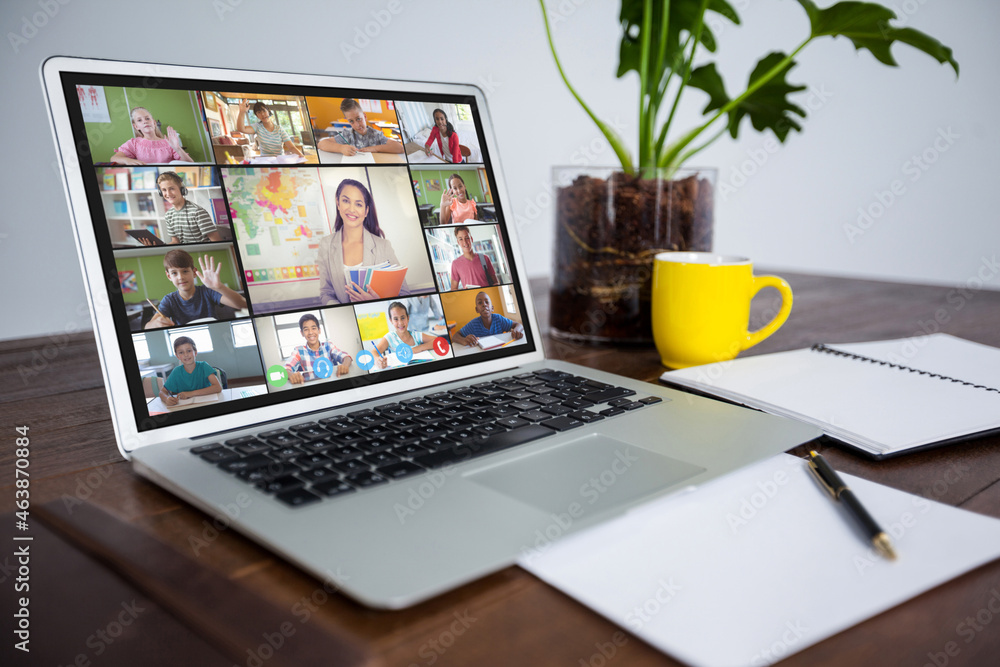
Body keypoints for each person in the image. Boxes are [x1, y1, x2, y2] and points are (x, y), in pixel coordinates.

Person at [317, 179, 410, 304]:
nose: (351, 209)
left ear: (366, 211)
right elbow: (326, 293)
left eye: (358, 204)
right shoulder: (325, 245)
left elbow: (404, 293)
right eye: (346, 201)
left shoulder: (383, 246)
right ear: (338, 203)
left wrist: (377, 301)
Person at [145, 250, 247, 329]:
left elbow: (243, 304)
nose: (180, 277)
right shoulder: (169, 300)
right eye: (174, 273)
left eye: (185, 271)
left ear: (194, 272)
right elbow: (147, 326)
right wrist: (156, 324)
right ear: (169, 276)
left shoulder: (207, 291)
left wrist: (219, 287)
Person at [149, 172, 222, 245]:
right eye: (164, 190)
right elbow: (175, 241)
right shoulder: (168, 215)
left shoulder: (197, 212)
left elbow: (217, 241)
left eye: (171, 189)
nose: (168, 194)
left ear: (182, 190)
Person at [317, 98, 403, 155]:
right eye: (351, 121)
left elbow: (399, 148)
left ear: (365, 117)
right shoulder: (347, 135)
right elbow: (321, 144)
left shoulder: (376, 134)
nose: (357, 125)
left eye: (358, 119)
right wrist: (341, 148)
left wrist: (375, 149)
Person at [111, 106, 193, 165]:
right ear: (136, 127)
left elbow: (190, 164)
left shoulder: (168, 143)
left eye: (147, 118)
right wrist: (127, 161)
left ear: (154, 123)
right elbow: (114, 158)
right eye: (139, 120)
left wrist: (177, 148)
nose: (145, 122)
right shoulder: (134, 143)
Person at [284, 313, 352, 383]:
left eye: (313, 328)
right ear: (302, 333)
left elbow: (346, 357)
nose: (310, 332)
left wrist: (344, 365)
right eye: (306, 329)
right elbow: (285, 369)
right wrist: (291, 374)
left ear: (319, 330)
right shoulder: (299, 351)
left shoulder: (328, 346)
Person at [159, 336, 222, 407]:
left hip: (208, 404)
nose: (186, 355)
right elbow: (162, 392)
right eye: (181, 352)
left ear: (195, 352)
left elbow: (218, 387)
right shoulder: (176, 372)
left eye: (189, 351)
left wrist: (190, 393)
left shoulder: (204, 366)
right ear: (177, 356)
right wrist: (166, 398)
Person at [373, 301, 436, 369]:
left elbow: (437, 340)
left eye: (403, 318)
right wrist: (377, 360)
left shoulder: (415, 335)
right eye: (396, 319)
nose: (400, 323)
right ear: (391, 320)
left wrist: (418, 348)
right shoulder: (390, 337)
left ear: (408, 318)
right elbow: (374, 352)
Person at [452, 291, 523, 347]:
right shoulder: (473, 324)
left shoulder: (499, 319)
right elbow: (454, 336)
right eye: (480, 303)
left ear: (492, 308)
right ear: (477, 310)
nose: (484, 304)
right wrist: (464, 340)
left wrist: (516, 330)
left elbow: (518, 324)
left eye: (487, 302)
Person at [236, 100, 303, 157]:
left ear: (268, 111)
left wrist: (302, 157)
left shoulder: (279, 129)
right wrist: (242, 112)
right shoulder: (257, 127)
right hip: (265, 161)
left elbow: (291, 147)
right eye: (259, 112)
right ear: (257, 116)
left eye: (264, 111)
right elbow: (241, 129)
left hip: (279, 160)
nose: (262, 114)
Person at [449, 226, 498, 290]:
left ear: (471, 239)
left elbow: (495, 283)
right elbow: (453, 290)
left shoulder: (485, 258)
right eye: (461, 239)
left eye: (467, 238)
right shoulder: (455, 264)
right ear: (458, 242)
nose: (465, 242)